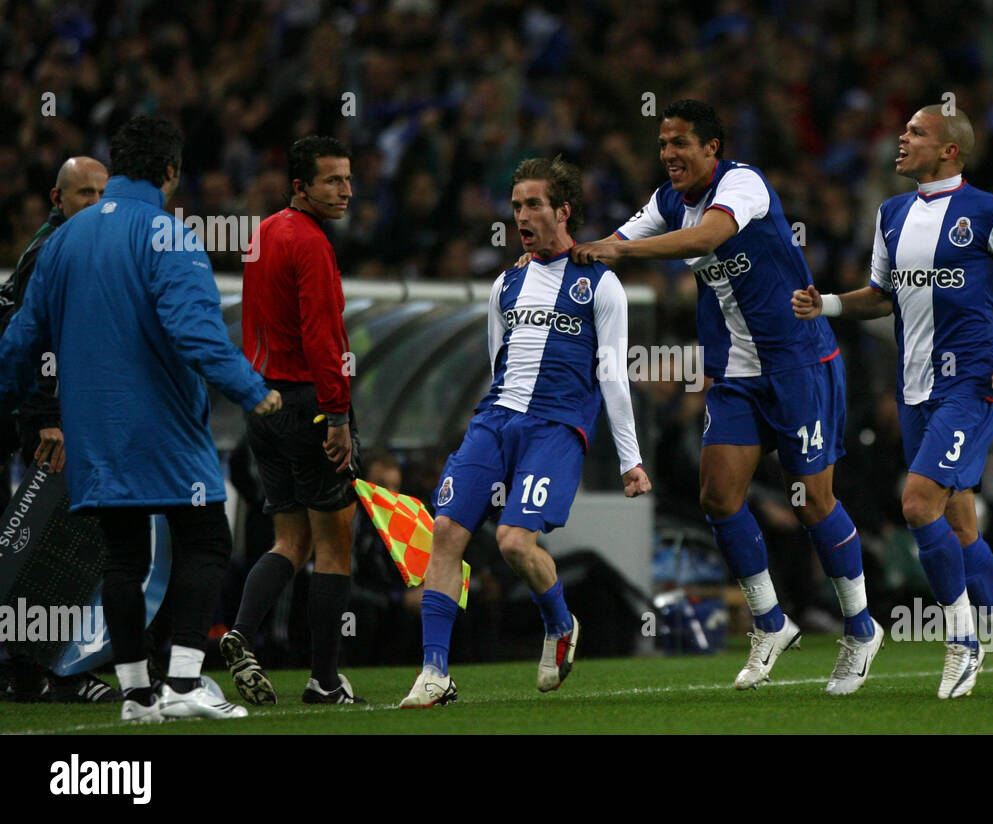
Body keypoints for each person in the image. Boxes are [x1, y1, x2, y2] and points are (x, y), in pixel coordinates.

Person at [571, 99, 884, 695]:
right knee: (718, 494)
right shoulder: (667, 201)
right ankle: (770, 623)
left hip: (797, 362)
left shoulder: (744, 185)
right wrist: (558, 255)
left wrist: (623, 253)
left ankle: (861, 627)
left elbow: (708, 235)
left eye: (681, 143)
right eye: (663, 144)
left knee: (814, 502)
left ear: (712, 148)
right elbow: (611, 241)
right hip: (739, 372)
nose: (669, 155)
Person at [0, 115, 282, 723]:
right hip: (163, 425)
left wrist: (3, 400)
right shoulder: (169, 235)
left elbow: (22, 338)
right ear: (172, 171)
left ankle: (135, 695)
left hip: (93, 432)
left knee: (122, 556)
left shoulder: (64, 240)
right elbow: (194, 332)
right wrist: (251, 389)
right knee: (207, 538)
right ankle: (182, 680)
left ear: (118, 163)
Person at [792, 103, 993, 698]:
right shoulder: (890, 215)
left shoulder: (992, 212)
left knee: (917, 505)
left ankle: (963, 643)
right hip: (913, 389)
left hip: (972, 387)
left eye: (915, 131)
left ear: (950, 150)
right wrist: (829, 305)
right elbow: (882, 296)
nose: (901, 137)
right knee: (960, 522)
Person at [400, 156, 651, 707]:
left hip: (556, 428)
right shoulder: (505, 283)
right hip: (495, 421)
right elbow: (499, 359)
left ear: (563, 210)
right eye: (516, 206)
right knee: (444, 531)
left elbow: (612, 373)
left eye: (533, 204)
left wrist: (629, 459)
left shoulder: (601, 286)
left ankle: (560, 625)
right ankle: (434, 672)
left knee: (514, 542)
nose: (521, 216)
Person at [220, 136, 365, 705]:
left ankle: (238, 632)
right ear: (300, 187)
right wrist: (337, 415)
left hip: (263, 403)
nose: (346, 191)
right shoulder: (311, 243)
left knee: (289, 538)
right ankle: (325, 681)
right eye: (332, 181)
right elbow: (322, 336)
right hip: (309, 404)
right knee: (335, 542)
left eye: (349, 179)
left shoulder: (263, 234)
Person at [0, 157, 117, 703]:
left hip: (58, 418)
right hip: (43, 423)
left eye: (102, 193)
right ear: (58, 197)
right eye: (84, 193)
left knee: (59, 545)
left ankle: (36, 668)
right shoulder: (54, 250)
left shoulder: (73, 246)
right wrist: (47, 417)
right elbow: (32, 337)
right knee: (51, 549)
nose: (95, 203)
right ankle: (42, 670)